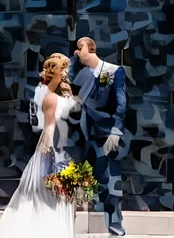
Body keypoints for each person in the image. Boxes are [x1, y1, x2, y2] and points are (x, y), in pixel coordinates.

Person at [0, 53, 80, 238]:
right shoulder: (51, 98)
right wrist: (51, 149)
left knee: (58, 193)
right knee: (54, 192)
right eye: (65, 70)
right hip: (54, 145)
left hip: (60, 143)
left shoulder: (54, 95)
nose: (67, 74)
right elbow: (51, 124)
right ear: (59, 73)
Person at [68, 37, 127, 237]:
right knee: (71, 181)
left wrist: (116, 131)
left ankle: (115, 229)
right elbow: (67, 82)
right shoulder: (82, 74)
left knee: (109, 183)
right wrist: (75, 60)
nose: (77, 52)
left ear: (91, 49)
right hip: (81, 134)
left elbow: (121, 105)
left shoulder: (113, 71)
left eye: (80, 48)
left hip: (103, 135)